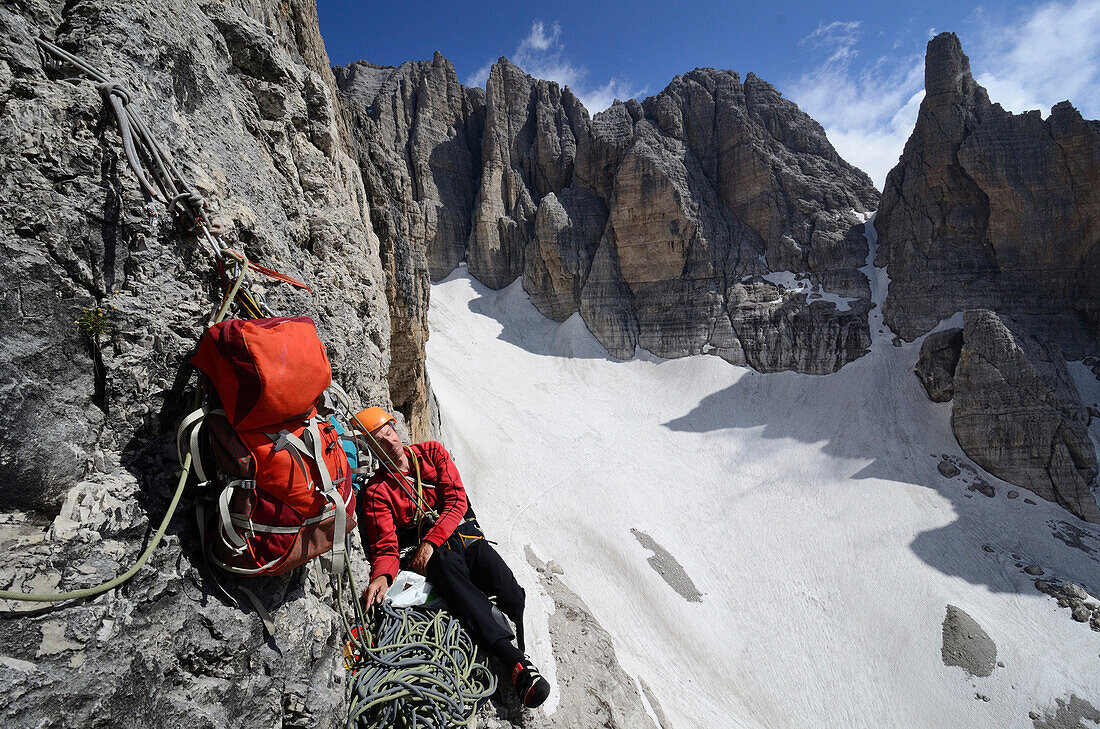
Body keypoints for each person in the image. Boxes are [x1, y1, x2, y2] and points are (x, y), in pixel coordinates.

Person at [354, 407, 551, 709]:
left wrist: (430, 542)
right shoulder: (377, 492)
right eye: (380, 440)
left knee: (513, 595)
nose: (390, 441)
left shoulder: (431, 453)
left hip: (462, 538)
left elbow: (457, 500)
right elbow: (386, 545)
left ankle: (518, 646)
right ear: (373, 449)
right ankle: (514, 663)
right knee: (446, 569)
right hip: (438, 557)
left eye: (389, 432)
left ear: (396, 429)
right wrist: (382, 576)